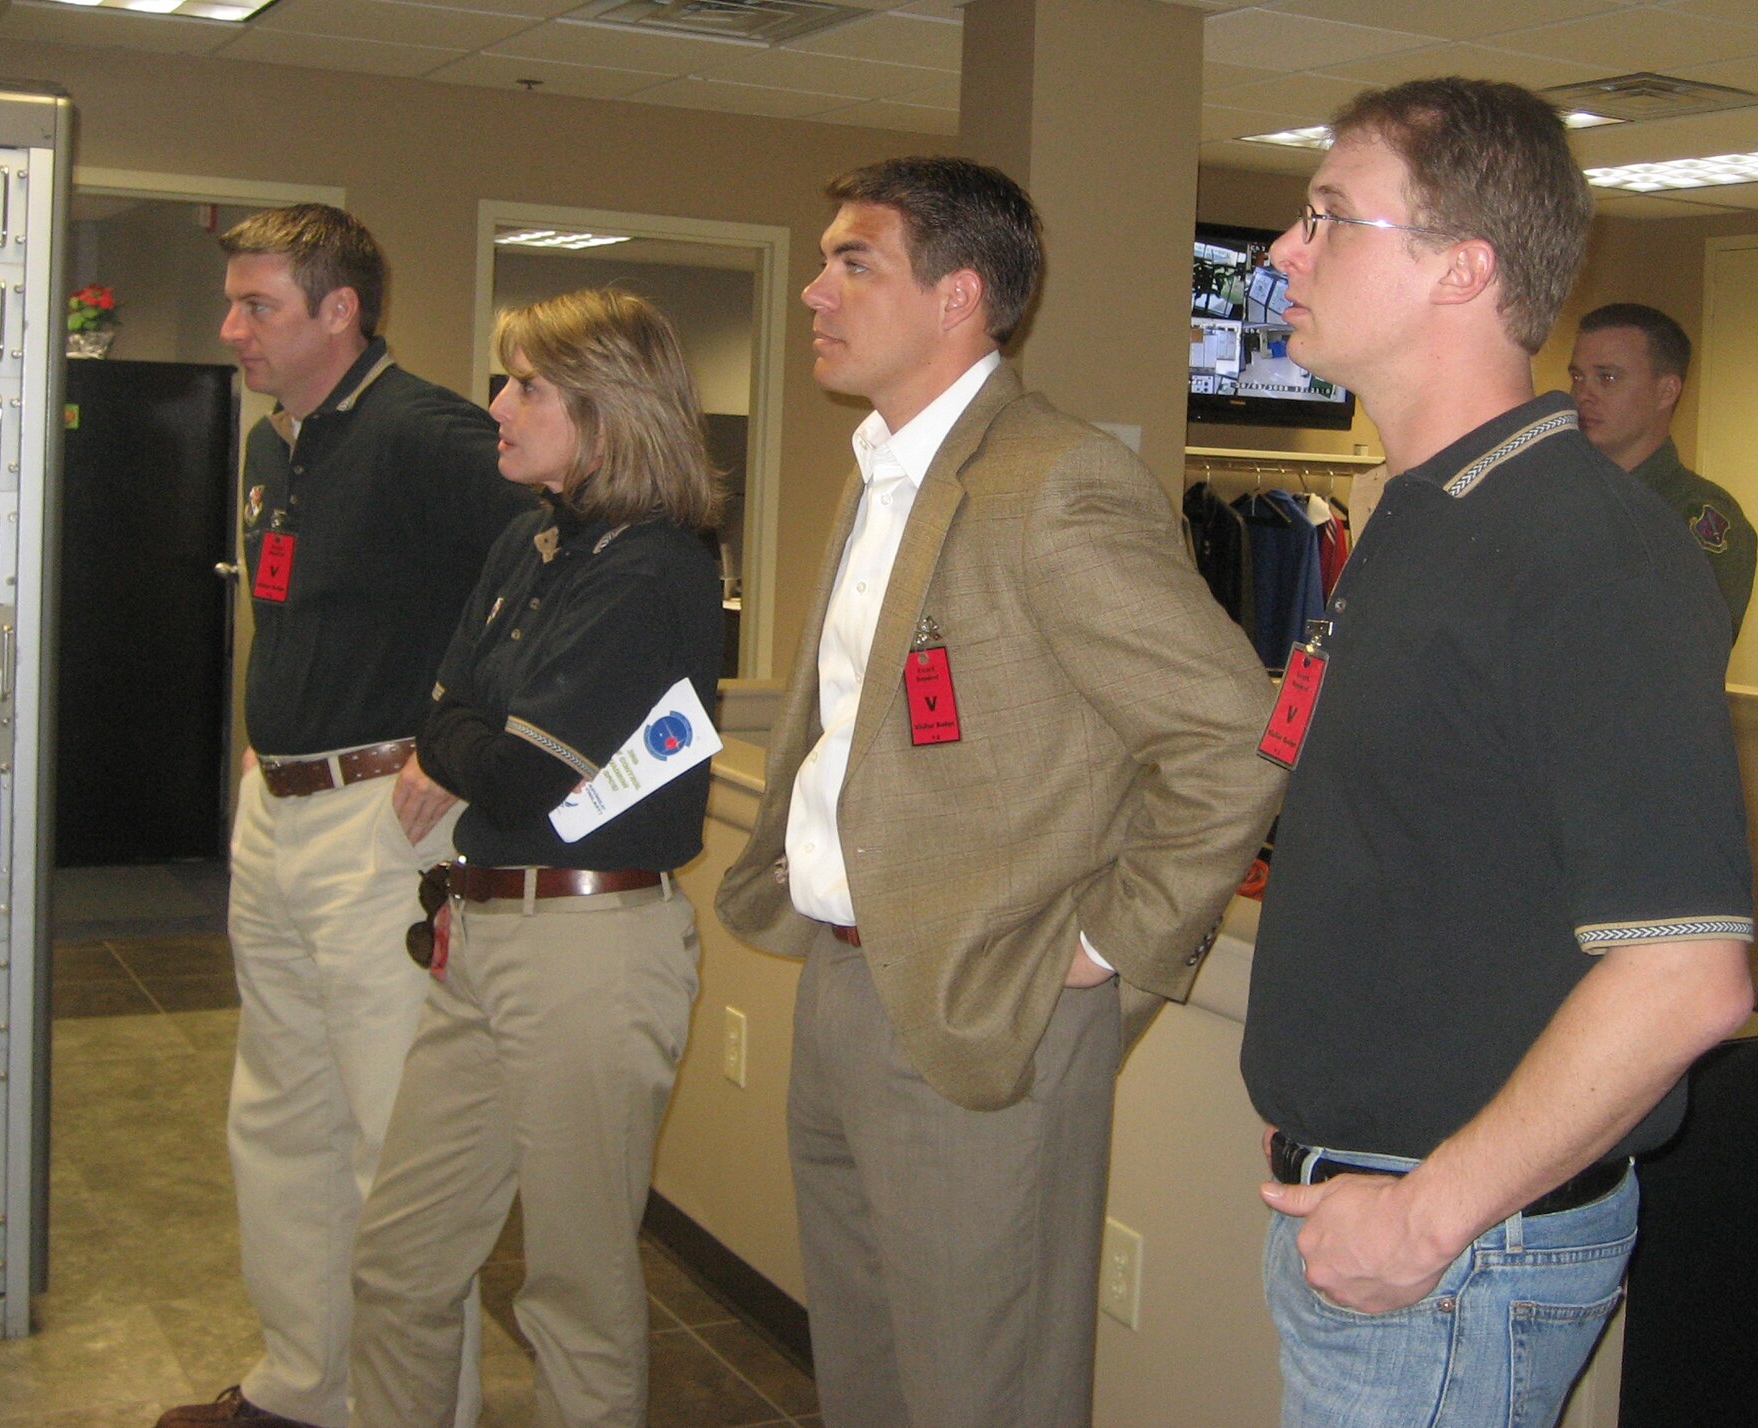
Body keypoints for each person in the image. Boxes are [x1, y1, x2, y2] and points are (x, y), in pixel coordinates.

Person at [715, 156, 1282, 1428]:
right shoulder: (885, 473)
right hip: (847, 980)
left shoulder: (1051, 483)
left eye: (851, 262)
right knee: (865, 1373)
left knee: (983, 1392)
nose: (813, 290)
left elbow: (1233, 734)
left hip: (987, 1010)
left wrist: (1103, 947)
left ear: (959, 294)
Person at [1239, 78, 1756, 1428]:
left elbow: (1689, 974)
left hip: (1459, 1254)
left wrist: (1425, 1218)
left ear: (1462, 269)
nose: (1283, 253)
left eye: (1327, 218)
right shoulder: (1420, 517)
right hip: (1370, 1204)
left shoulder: (1590, 552)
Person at [157, 205, 532, 1428]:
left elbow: (563, 572)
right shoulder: (283, 445)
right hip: (278, 811)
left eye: (255, 305)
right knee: (278, 1111)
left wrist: (469, 746)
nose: (231, 329)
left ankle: (415, 1411)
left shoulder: (434, 438)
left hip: (385, 820)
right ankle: (304, 1383)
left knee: (392, 1143)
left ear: (339, 311)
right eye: (232, 302)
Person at [347, 288, 724, 1428]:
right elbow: (450, 706)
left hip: (589, 951)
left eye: (525, 386)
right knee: (399, 1264)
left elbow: (508, 768)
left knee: (575, 1294)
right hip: (480, 931)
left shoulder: (652, 569)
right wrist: (457, 734)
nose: (497, 405)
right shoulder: (533, 538)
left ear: (605, 413)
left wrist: (453, 737)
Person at [1569, 301, 1753, 631]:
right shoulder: (1555, 496)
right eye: (1578, 376)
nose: (1583, 394)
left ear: (1666, 391)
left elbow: (1681, 653)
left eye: (1607, 377)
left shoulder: (1695, 515)